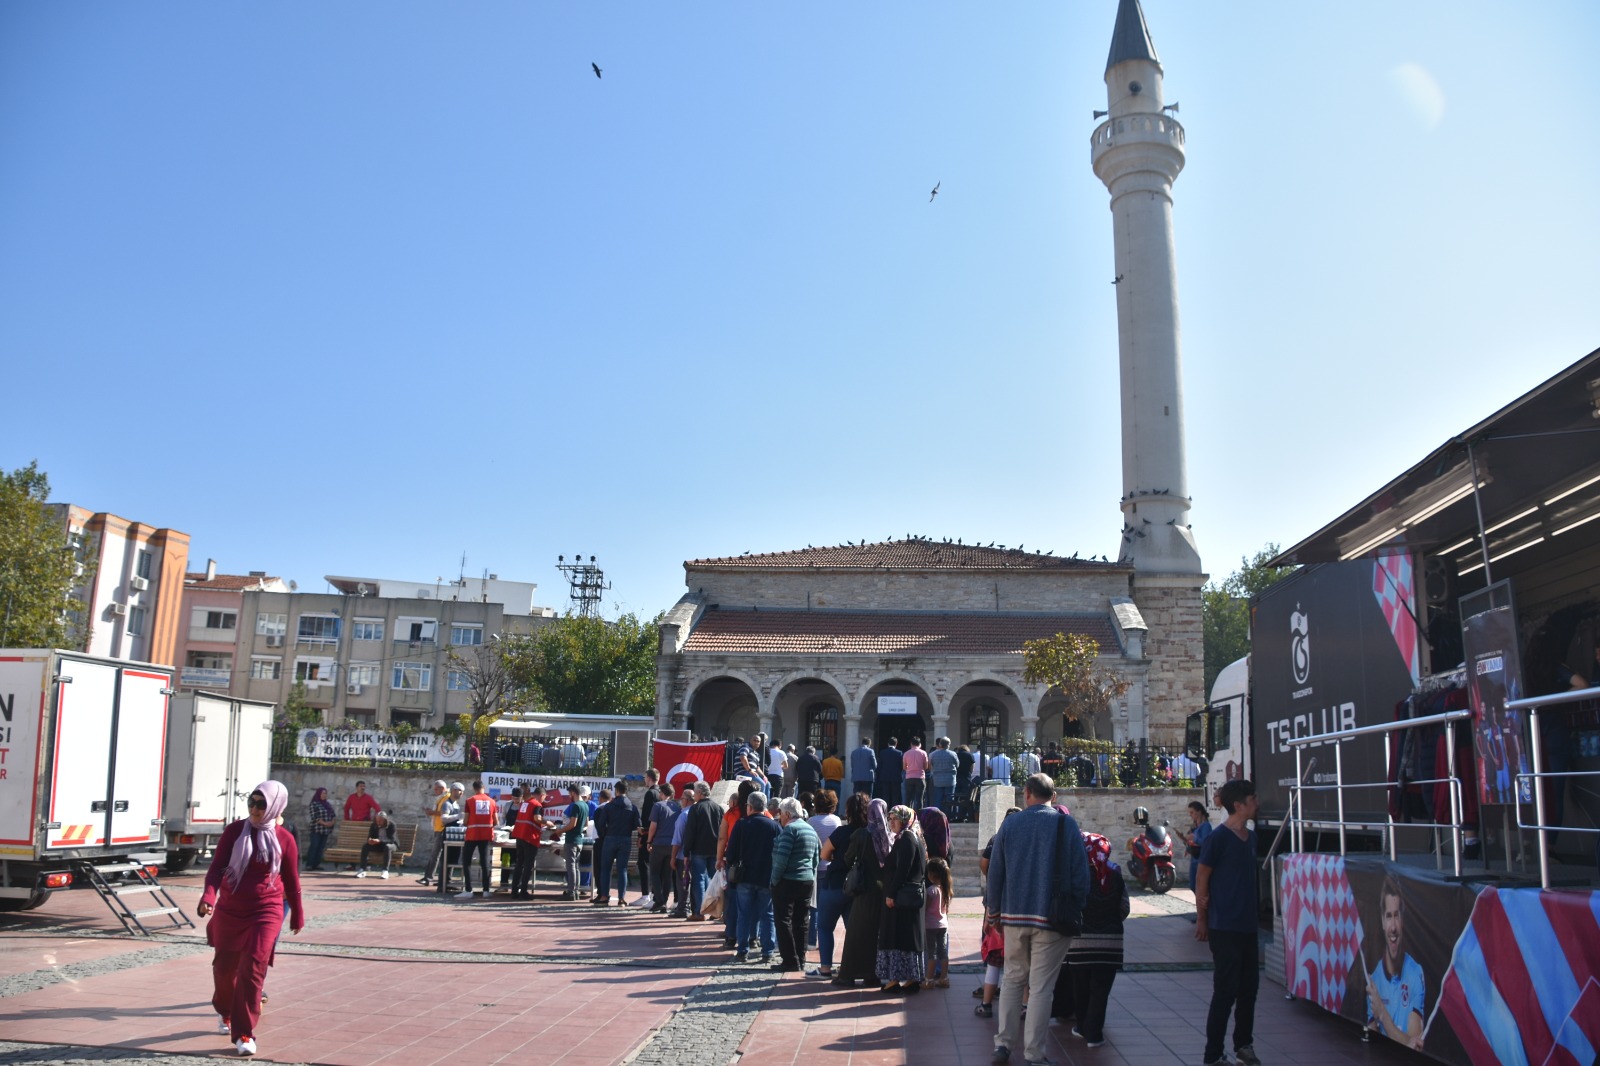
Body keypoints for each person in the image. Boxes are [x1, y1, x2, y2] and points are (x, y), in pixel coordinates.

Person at [986, 773, 1090, 1066]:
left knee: (1013, 980)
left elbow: (996, 871)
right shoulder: (1064, 823)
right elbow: (1081, 873)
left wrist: (993, 911)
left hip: (1014, 915)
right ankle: (1034, 1053)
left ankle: (1003, 1045)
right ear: (1053, 796)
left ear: (1027, 793)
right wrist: (1077, 905)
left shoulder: (1011, 823)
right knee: (1042, 987)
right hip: (1052, 918)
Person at [197, 781, 304, 1058]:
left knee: (253, 968)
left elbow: (292, 880)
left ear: (276, 806)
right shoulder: (234, 831)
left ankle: (245, 1033)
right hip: (231, 909)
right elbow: (217, 867)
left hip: (267, 910)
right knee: (224, 970)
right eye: (251, 803)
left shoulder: (285, 839)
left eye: (261, 804)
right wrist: (209, 897)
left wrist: (297, 915)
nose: (255, 809)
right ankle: (225, 1010)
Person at [1195, 778, 1262, 1066]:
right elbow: (1202, 876)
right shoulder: (1218, 838)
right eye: (1252, 799)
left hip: (1248, 926)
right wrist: (1202, 918)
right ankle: (1213, 1054)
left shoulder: (1252, 837)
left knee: (1249, 989)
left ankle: (1243, 1045)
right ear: (1239, 805)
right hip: (1224, 926)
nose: (1257, 804)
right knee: (1225, 991)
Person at [1061, 831, 1130, 1048]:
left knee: (1080, 988)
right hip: (1110, 944)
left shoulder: (1074, 876)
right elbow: (1124, 909)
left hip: (1079, 943)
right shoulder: (1115, 874)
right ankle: (1094, 1034)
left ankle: (1081, 1026)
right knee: (1100, 990)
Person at [833, 797, 889, 988]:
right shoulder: (888, 836)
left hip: (864, 889)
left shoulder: (861, 835)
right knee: (875, 935)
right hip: (882, 890)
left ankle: (848, 974)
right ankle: (871, 974)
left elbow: (848, 859)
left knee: (856, 933)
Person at [1366, 874, 1425, 1050]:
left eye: (1397, 916)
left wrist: (1382, 1014)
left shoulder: (1415, 973)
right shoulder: (1374, 980)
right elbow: (1372, 1048)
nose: (1393, 927)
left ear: (1403, 920)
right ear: (1382, 922)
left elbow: (1412, 1047)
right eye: (1389, 916)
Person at [813, 791, 867, 978]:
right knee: (854, 930)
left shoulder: (842, 832)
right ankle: (853, 966)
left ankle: (826, 967)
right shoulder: (870, 834)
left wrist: (837, 857)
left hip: (835, 882)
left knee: (825, 926)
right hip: (858, 886)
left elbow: (824, 854)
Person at [877, 804, 927, 992]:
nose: (892, 822)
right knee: (908, 938)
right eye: (890, 819)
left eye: (895, 819)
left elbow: (903, 869)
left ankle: (895, 979)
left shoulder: (907, 838)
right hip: (908, 898)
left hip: (901, 898)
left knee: (898, 937)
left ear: (905, 820)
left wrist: (891, 893)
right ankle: (911, 978)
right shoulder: (911, 836)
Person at [726, 792, 779, 963]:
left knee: (744, 914)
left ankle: (742, 950)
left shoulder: (742, 825)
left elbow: (731, 851)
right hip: (766, 876)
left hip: (745, 876)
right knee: (767, 915)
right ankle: (768, 951)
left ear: (749, 806)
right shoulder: (774, 826)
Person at [770, 796, 820, 973]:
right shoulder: (810, 829)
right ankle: (801, 957)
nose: (780, 817)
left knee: (783, 920)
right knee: (801, 921)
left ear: (787, 813)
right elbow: (816, 856)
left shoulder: (789, 830)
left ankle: (790, 960)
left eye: (781, 814)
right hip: (807, 880)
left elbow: (781, 860)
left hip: (788, 880)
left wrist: (774, 881)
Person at [680, 781, 724, 920]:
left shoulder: (695, 809)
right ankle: (716, 911)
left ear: (699, 793)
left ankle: (700, 911)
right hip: (715, 848)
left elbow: (690, 832)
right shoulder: (718, 808)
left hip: (699, 849)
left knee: (699, 880)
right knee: (715, 880)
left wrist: (686, 852)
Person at [593, 780, 640, 906]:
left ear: (617, 791)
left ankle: (604, 896)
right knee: (622, 869)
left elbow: (601, 824)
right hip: (625, 839)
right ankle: (621, 898)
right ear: (626, 791)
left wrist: (605, 834)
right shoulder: (632, 807)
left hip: (610, 838)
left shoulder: (609, 806)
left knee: (606, 868)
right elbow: (637, 825)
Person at [455, 780, 498, 900]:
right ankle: (486, 890)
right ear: (484, 788)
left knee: (466, 861)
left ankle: (468, 890)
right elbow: (496, 821)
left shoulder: (470, 801)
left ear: (474, 789)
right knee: (484, 862)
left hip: (473, 834)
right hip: (486, 834)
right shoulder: (492, 801)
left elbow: (465, 821)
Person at [646, 783, 681, 912]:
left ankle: (659, 899)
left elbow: (653, 826)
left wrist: (649, 841)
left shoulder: (657, 806)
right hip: (672, 844)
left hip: (659, 843)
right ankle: (664, 901)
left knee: (654, 872)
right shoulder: (677, 807)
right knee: (667, 874)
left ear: (662, 793)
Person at [509, 786, 547, 899]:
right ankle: (523, 891)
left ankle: (514, 891)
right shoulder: (537, 805)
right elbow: (537, 818)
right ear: (542, 795)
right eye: (544, 798)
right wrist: (548, 823)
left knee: (519, 864)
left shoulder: (525, 803)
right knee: (528, 865)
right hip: (530, 837)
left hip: (519, 836)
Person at [557, 785, 592, 900]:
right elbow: (586, 824)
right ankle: (575, 890)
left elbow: (572, 824)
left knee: (571, 866)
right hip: (579, 840)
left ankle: (571, 891)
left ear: (573, 793)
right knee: (575, 866)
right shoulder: (585, 805)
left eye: (569, 794)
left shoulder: (576, 806)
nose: (569, 796)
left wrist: (560, 831)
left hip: (572, 839)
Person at [924, 856, 953, 988]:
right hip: (943, 925)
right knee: (943, 952)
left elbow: (926, 908)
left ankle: (929, 980)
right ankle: (944, 978)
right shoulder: (946, 890)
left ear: (931, 875)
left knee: (932, 952)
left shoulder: (931, 891)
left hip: (930, 925)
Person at [635, 770, 663, 903]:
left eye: (645, 778)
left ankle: (647, 895)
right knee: (655, 865)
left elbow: (647, 816)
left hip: (649, 833)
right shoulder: (660, 793)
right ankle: (653, 895)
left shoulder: (650, 793)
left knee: (643, 863)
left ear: (650, 778)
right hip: (659, 834)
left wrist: (643, 833)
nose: (644, 780)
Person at [417, 781, 449, 886]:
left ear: (442, 788)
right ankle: (436, 878)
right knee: (437, 854)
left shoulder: (446, 798)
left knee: (435, 854)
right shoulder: (441, 798)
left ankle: (428, 878)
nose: (435, 791)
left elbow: (445, 813)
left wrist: (432, 813)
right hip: (438, 828)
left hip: (441, 828)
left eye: (436, 789)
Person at [1184, 799, 1215, 893]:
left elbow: (1206, 843)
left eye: (1192, 812)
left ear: (1199, 812)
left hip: (1200, 859)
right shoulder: (1196, 826)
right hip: (1194, 858)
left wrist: (1194, 838)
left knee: (1199, 886)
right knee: (1194, 886)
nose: (1191, 815)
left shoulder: (1206, 826)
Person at [357, 810, 397, 879]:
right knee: (365, 846)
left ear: (385, 820)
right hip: (378, 845)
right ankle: (362, 870)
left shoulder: (391, 825)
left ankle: (385, 871)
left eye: (380, 821)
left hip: (391, 845)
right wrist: (370, 841)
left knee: (387, 847)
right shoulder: (374, 825)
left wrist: (380, 841)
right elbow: (370, 836)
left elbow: (392, 840)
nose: (378, 822)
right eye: (377, 820)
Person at [302, 787, 334, 871]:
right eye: (323, 793)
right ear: (318, 794)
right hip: (316, 829)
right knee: (314, 846)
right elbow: (314, 817)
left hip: (325, 830)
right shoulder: (314, 804)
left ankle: (316, 864)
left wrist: (332, 822)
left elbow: (333, 815)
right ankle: (309, 864)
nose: (324, 795)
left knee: (321, 847)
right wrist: (325, 823)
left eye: (325, 793)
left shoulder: (327, 804)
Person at [929, 737, 959, 814]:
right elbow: (957, 765)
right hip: (950, 779)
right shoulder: (953, 754)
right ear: (948, 745)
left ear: (939, 744)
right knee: (949, 798)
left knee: (938, 799)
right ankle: (948, 815)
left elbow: (930, 765)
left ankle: (937, 815)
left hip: (937, 779)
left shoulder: (933, 754)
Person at [902, 737, 930, 809]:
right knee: (919, 799)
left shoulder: (906, 753)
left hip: (909, 777)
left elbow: (904, 767)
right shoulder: (923, 753)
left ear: (911, 744)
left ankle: (907, 816)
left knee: (908, 798)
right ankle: (919, 816)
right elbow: (926, 767)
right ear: (920, 744)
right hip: (920, 777)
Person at [877, 737, 904, 806]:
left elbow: (879, 766)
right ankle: (894, 813)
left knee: (885, 797)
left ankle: (885, 812)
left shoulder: (882, 752)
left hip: (884, 777)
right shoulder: (899, 753)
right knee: (895, 796)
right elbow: (901, 766)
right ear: (896, 744)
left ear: (888, 743)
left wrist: (878, 775)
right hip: (896, 777)